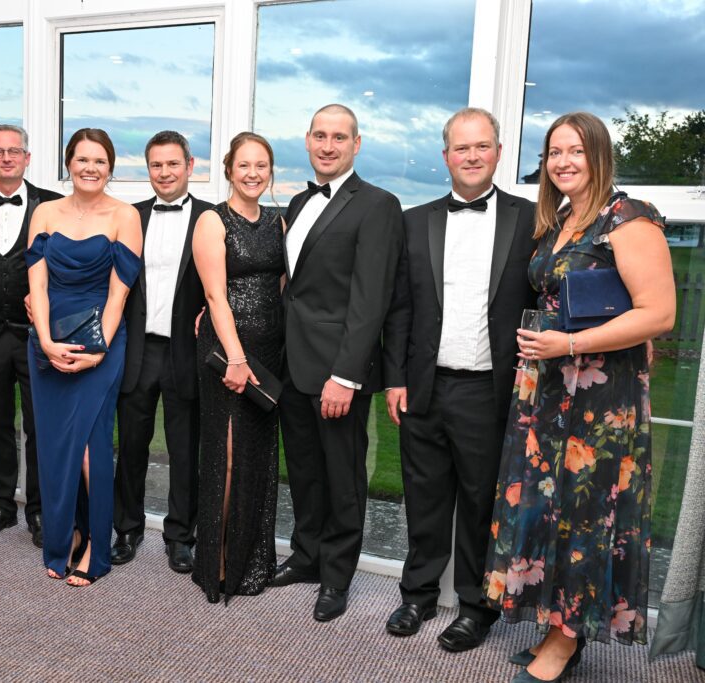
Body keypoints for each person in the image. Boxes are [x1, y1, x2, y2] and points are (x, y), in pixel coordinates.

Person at [483, 112, 674, 683]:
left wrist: (569, 343)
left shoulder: (628, 217)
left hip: (598, 398)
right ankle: (558, 628)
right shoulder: (561, 220)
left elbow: (659, 314)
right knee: (551, 510)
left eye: (576, 151)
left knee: (586, 513)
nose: (563, 162)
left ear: (599, 155)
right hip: (547, 388)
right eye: (554, 152)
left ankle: (565, 642)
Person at [381, 108, 537, 651]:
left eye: (482, 146)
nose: (472, 156)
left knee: (479, 504)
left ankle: (476, 607)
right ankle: (418, 595)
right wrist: (395, 379)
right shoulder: (414, 220)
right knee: (423, 497)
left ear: (498, 152)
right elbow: (400, 307)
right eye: (461, 148)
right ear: (445, 156)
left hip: (489, 390)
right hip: (423, 385)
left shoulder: (531, 219)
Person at [272, 104, 403, 622]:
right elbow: (295, 286)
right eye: (320, 136)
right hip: (292, 364)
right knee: (304, 471)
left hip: (337, 372)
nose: (328, 146)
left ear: (356, 144)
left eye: (339, 137)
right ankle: (306, 557)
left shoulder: (378, 205)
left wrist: (345, 376)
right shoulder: (299, 200)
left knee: (343, 479)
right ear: (308, 140)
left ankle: (336, 576)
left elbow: (370, 300)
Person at [26, 128, 142, 586]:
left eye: (99, 161)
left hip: (101, 343)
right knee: (58, 448)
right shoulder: (44, 212)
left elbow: (118, 295)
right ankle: (67, 536)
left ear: (110, 168)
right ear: (68, 163)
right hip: (49, 342)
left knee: (92, 451)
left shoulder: (125, 216)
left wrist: (98, 352)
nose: (90, 168)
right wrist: (44, 341)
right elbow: (37, 285)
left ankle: (96, 542)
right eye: (82, 159)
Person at [190, 132, 284, 604]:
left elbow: (282, 284)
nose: (252, 173)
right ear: (229, 170)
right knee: (226, 455)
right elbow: (214, 295)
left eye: (261, 165)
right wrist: (236, 356)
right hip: (229, 352)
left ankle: (252, 560)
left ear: (270, 171)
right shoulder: (212, 220)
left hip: (270, 351)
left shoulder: (278, 221)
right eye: (244, 165)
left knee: (258, 457)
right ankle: (218, 565)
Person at [112, 131, 211, 572]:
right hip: (137, 347)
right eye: (156, 165)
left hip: (187, 350)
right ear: (147, 169)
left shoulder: (211, 218)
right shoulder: (130, 216)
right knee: (131, 445)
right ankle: (127, 529)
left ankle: (181, 536)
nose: (165, 172)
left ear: (190, 166)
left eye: (173, 164)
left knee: (184, 449)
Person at [0, 125, 62, 546]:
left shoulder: (52, 205)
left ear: (27, 158)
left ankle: (38, 510)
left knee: (40, 426)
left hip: (36, 335)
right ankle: (2, 505)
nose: (6, 158)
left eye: (14, 151)